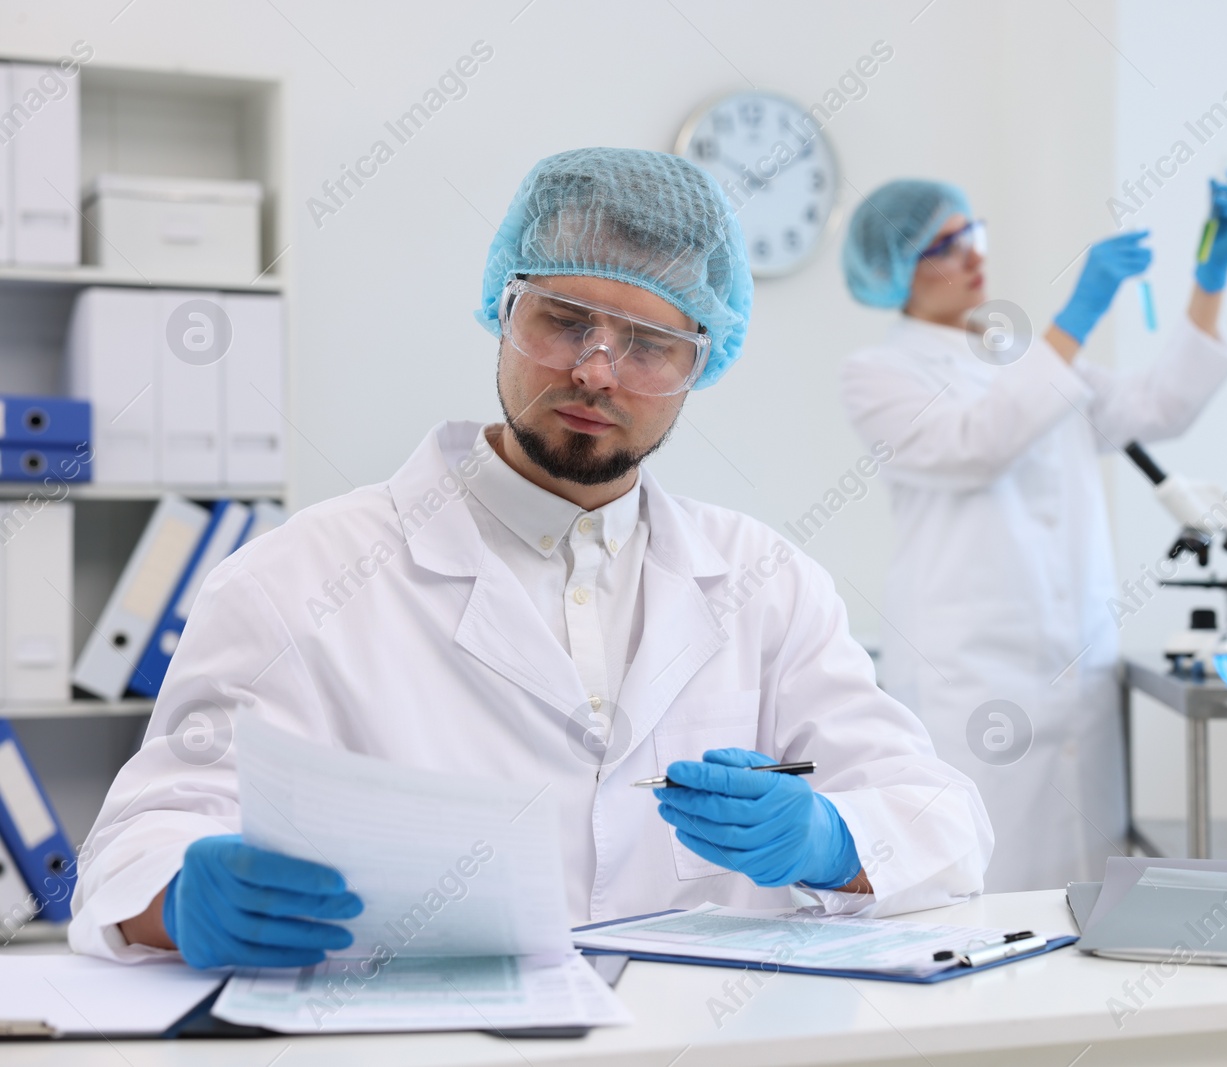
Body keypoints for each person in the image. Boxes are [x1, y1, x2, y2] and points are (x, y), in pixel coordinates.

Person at [70, 148, 992, 968]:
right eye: (565, 319)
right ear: (503, 310)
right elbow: (144, 835)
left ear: (701, 365)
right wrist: (182, 901)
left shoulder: (766, 582)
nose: (597, 369)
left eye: (650, 343)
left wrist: (834, 837)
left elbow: (942, 819)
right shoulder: (296, 576)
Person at [839, 174, 1227, 891]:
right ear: (895, 273)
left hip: (1077, 665)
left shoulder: (1019, 355)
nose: (973, 254)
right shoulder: (877, 374)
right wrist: (1078, 315)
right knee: (975, 889)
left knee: (1086, 890)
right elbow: (976, 444)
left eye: (974, 232)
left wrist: (1209, 281)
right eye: (945, 243)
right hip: (969, 676)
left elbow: (1158, 407)